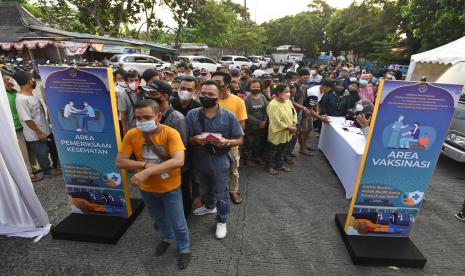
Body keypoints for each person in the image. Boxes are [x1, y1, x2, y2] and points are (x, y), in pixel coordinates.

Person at [115, 99, 190, 269]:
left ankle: (184, 248)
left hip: (170, 187)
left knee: (178, 221)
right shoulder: (132, 134)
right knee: (158, 217)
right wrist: (145, 165)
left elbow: (179, 161)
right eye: (138, 118)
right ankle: (168, 238)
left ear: (159, 116)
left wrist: (146, 172)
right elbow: (119, 162)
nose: (141, 121)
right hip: (147, 188)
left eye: (147, 117)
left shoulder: (170, 133)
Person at [186, 80, 244, 239]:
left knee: (222, 192)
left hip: (220, 160)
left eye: (211, 94)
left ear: (219, 96)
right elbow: (187, 139)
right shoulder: (192, 114)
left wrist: (227, 142)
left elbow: (239, 139)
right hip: (200, 160)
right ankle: (210, 206)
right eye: (203, 93)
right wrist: (195, 139)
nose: (206, 97)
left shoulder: (229, 116)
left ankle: (222, 220)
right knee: (205, 187)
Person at [142, 80, 191, 217]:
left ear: (164, 96)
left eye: (152, 93)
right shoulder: (147, 116)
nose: (148, 95)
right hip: (156, 164)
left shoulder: (177, 119)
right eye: (147, 92)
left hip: (176, 167)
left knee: (180, 196)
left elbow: (183, 146)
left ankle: (183, 219)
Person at [14, 70, 60, 176]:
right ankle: (47, 170)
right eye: (32, 78)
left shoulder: (31, 94)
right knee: (42, 153)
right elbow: (27, 119)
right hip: (35, 133)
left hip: (45, 128)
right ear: (29, 81)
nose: (34, 80)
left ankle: (56, 166)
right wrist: (39, 133)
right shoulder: (21, 99)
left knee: (53, 147)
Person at [212, 71, 247, 205]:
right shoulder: (210, 99)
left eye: (218, 82)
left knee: (233, 169)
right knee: (213, 169)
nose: (214, 84)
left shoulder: (238, 101)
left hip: (231, 143)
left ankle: (233, 190)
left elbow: (242, 124)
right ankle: (215, 192)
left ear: (226, 84)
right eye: (213, 80)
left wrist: (229, 141)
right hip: (211, 142)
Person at [4, 74, 42, 182]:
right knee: (22, 152)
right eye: (7, 82)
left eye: (11, 82)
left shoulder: (14, 92)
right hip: (14, 127)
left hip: (23, 125)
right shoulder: (3, 96)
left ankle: (34, 168)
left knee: (30, 149)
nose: (10, 84)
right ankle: (27, 174)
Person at [265, 84, 297, 175]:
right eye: (286, 92)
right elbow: (275, 121)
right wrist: (288, 127)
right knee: (272, 150)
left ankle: (279, 164)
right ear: (279, 93)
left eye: (289, 91)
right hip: (277, 132)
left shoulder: (288, 101)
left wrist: (294, 124)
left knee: (282, 149)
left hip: (288, 131)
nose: (288, 94)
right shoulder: (273, 105)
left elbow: (294, 113)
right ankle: (269, 167)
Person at [243, 79, 268, 167]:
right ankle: (247, 159)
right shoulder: (246, 99)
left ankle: (257, 157)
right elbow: (246, 114)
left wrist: (265, 121)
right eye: (254, 87)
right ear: (249, 88)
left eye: (258, 86)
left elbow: (266, 109)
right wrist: (258, 122)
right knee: (249, 143)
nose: (256, 88)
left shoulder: (262, 97)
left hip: (262, 125)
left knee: (259, 142)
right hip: (251, 126)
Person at [118, 70, 141, 136]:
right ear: (126, 82)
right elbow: (123, 115)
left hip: (144, 126)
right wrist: (124, 129)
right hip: (131, 127)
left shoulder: (144, 92)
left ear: (139, 81)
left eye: (136, 80)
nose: (134, 82)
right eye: (131, 81)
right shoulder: (123, 96)